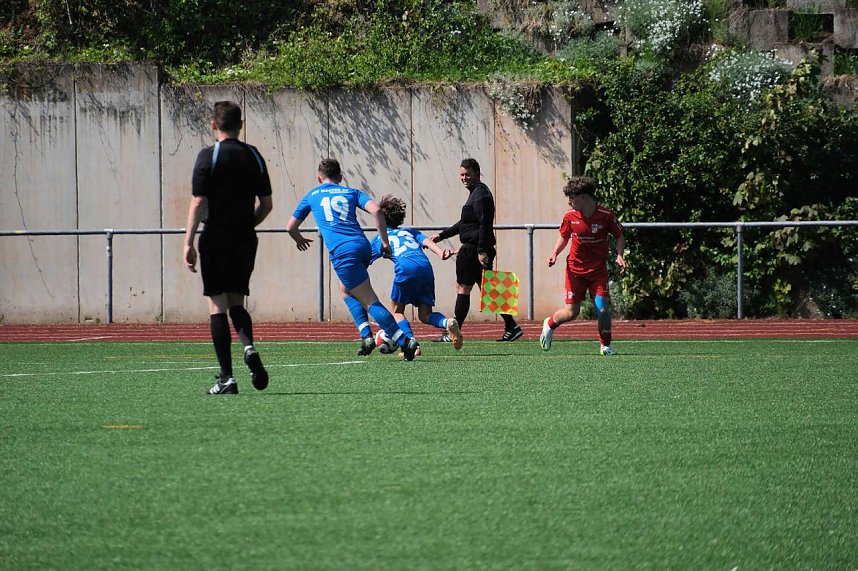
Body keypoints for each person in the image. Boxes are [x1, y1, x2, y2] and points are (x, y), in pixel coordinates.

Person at [286, 158, 420, 361]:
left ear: (318, 177)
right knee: (346, 288)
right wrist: (384, 242)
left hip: (342, 252)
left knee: (368, 298)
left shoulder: (312, 195)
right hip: (362, 246)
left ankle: (404, 341)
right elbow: (376, 210)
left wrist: (298, 239)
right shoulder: (351, 192)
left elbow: (291, 227)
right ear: (339, 177)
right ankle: (366, 335)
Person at [184, 101, 273, 395]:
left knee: (217, 305)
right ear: (241, 125)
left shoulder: (209, 156)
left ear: (213, 124)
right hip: (245, 239)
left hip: (216, 237)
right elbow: (267, 204)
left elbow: (198, 202)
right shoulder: (254, 155)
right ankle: (248, 347)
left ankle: (227, 378)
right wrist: (248, 225)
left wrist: (188, 242)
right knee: (237, 301)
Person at [431, 158, 522, 342]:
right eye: (462, 175)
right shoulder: (475, 193)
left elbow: (484, 224)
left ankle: (453, 332)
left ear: (477, 174)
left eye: (467, 174)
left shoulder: (480, 194)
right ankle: (512, 326)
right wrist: (442, 236)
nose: (464, 178)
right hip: (475, 248)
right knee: (489, 288)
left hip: (473, 250)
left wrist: (482, 250)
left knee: (463, 288)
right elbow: (465, 224)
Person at [539, 175, 626, 355]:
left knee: (602, 308)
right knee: (572, 312)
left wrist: (620, 255)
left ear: (584, 197)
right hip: (575, 271)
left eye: (572, 198)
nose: (570, 202)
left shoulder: (606, 216)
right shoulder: (569, 217)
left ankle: (606, 346)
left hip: (597, 271)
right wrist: (554, 253)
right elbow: (564, 236)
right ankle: (549, 324)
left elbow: (619, 235)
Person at [365, 195, 463, 351]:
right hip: (426, 268)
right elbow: (427, 241)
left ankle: (412, 345)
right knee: (425, 315)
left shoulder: (380, 238)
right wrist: (440, 253)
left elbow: (365, 259)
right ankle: (447, 322)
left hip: (405, 270)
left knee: (397, 312)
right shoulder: (410, 232)